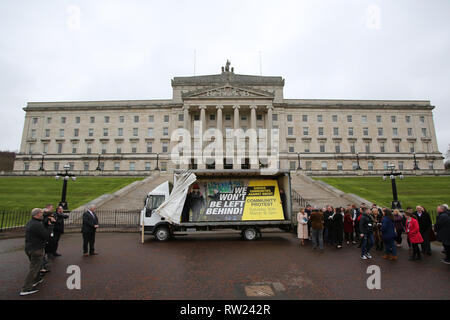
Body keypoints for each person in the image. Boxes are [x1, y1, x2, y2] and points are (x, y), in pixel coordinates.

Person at [20, 208, 52, 296]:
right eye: (42, 213)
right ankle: (26, 288)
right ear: (37, 214)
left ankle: (37, 280)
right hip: (36, 249)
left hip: (29, 248)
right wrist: (50, 226)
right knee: (34, 268)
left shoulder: (30, 222)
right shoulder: (37, 224)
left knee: (36, 266)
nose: (43, 215)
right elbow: (47, 235)